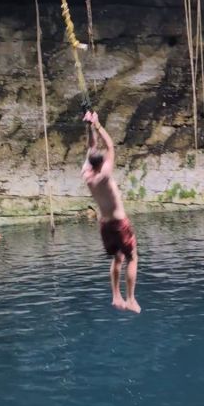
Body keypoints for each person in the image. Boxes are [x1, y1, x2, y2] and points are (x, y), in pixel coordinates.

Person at [82, 110, 141, 313]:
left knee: (118, 258)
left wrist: (89, 126)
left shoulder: (87, 176)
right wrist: (98, 124)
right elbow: (110, 146)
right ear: (102, 164)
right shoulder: (105, 175)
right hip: (119, 222)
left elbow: (91, 147)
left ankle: (116, 296)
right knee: (132, 257)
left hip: (104, 225)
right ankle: (130, 299)